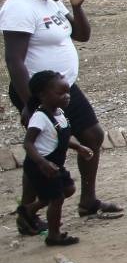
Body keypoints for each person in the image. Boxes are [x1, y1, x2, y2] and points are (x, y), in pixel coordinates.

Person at [1, 0, 123, 234]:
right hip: (39, 93)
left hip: (64, 87)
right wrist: (30, 104)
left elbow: (82, 35)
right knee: (43, 152)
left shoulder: (52, 1)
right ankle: (28, 213)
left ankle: (88, 202)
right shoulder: (18, 7)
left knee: (92, 135)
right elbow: (14, 60)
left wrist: (76, 7)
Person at [20, 71, 93, 246]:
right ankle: (54, 235)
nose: (67, 97)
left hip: (54, 164)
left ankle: (28, 211)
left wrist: (79, 147)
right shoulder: (40, 117)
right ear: (43, 95)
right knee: (56, 198)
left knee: (68, 189)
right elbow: (28, 143)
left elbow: (61, 137)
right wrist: (42, 163)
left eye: (67, 92)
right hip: (41, 165)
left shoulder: (59, 113)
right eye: (60, 93)